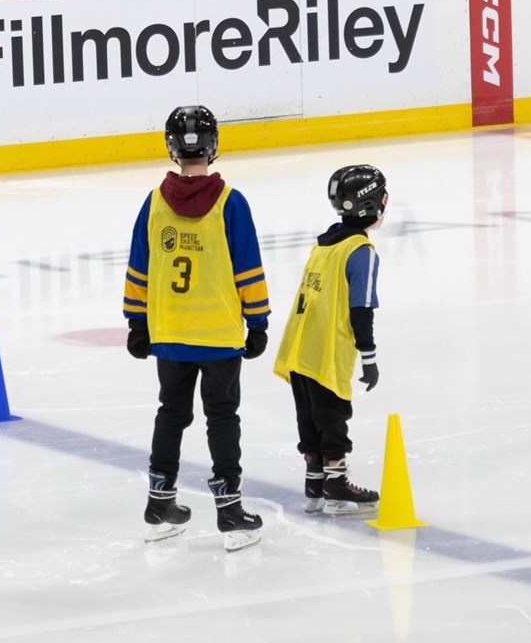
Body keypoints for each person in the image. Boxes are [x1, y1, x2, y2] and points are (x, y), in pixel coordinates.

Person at [122, 105, 270, 552]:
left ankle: (159, 502)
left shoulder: (153, 203)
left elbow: (139, 268)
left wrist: (136, 322)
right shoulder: (231, 203)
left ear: (171, 147)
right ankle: (229, 511)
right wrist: (258, 321)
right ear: (214, 146)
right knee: (222, 417)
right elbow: (248, 269)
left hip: (169, 333)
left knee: (172, 413)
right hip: (219, 335)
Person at [272, 165, 388, 515]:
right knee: (333, 415)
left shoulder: (325, 242)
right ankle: (335, 485)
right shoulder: (361, 251)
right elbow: (361, 309)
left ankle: (314, 483)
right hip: (325, 350)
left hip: (297, 348)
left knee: (309, 416)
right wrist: (368, 357)